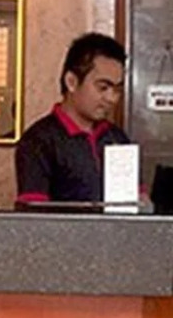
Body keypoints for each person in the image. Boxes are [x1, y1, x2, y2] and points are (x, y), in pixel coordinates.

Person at [15, 32, 130, 204]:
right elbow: (34, 213)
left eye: (117, 90)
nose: (112, 98)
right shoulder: (39, 142)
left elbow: (136, 201)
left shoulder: (117, 138)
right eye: (103, 88)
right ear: (71, 82)